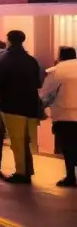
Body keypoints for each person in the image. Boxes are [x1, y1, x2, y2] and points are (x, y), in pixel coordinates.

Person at [0, 30, 44, 184]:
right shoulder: (31, 60)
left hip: (11, 105)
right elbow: (38, 82)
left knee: (17, 140)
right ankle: (27, 170)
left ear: (9, 40)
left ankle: (21, 173)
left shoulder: (4, 59)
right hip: (30, 105)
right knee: (26, 140)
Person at [41, 46, 77, 187]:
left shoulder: (56, 71)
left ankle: (70, 176)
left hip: (64, 116)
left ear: (60, 56)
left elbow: (45, 93)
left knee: (68, 147)